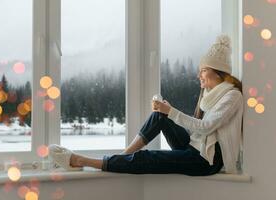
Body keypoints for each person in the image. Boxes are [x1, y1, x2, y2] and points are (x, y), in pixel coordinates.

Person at [49, 34, 243, 176]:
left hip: (207, 161)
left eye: (203, 70)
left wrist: (173, 111)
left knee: (148, 158)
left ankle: (80, 160)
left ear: (218, 73)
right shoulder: (210, 95)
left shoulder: (232, 96)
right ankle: (123, 157)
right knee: (160, 116)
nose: (198, 75)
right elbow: (197, 133)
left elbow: (207, 127)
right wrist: (167, 112)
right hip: (195, 147)